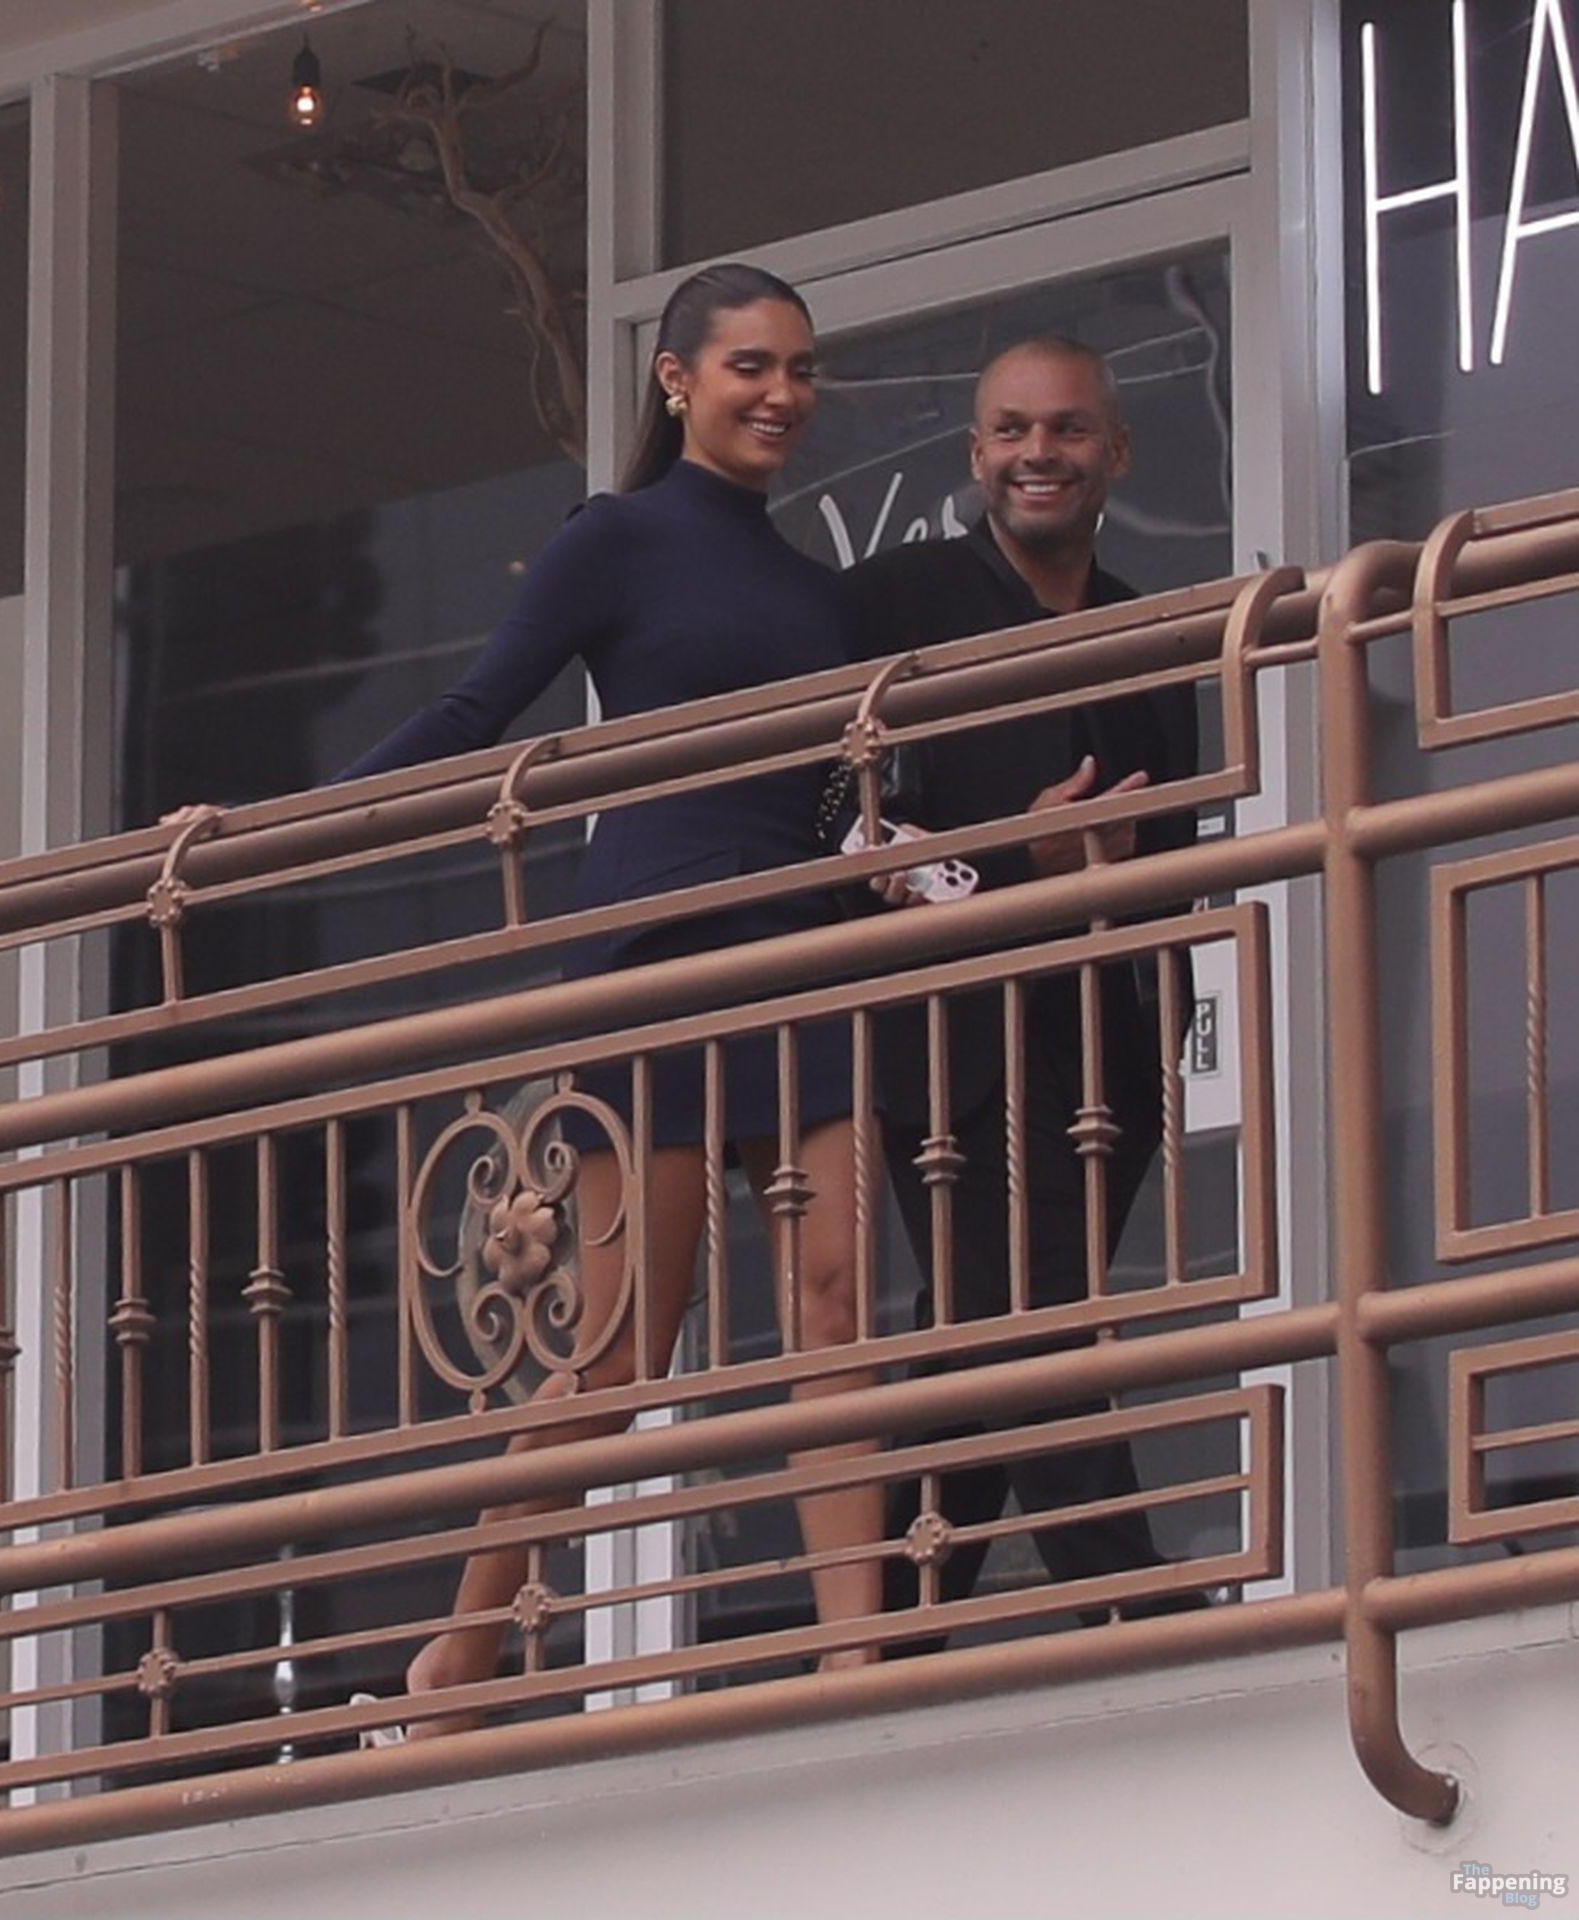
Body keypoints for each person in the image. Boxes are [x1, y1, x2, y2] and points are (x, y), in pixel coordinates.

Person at [340, 264, 883, 1734]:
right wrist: (286, 828)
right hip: (652, 950)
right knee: (627, 1344)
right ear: (678, 380)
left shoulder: (818, 590)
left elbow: (840, 795)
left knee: (835, 1303)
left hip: (800, 947)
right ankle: (459, 1657)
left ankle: (856, 1655)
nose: (782, 394)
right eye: (751, 366)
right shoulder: (616, 538)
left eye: (802, 369)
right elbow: (474, 712)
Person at [839, 335, 1204, 1630]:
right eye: (1011, 430)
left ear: (1116, 452)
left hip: (1108, 1051)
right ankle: (1129, 1605)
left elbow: (1174, 856)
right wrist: (1013, 861)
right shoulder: (896, 604)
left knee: (980, 1334)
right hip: (954, 1049)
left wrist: (1116, 875)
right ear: (976, 454)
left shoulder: (1146, 632)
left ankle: (879, 1634)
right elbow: (839, 821)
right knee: (1034, 1322)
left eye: (1066, 429)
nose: (1037, 454)